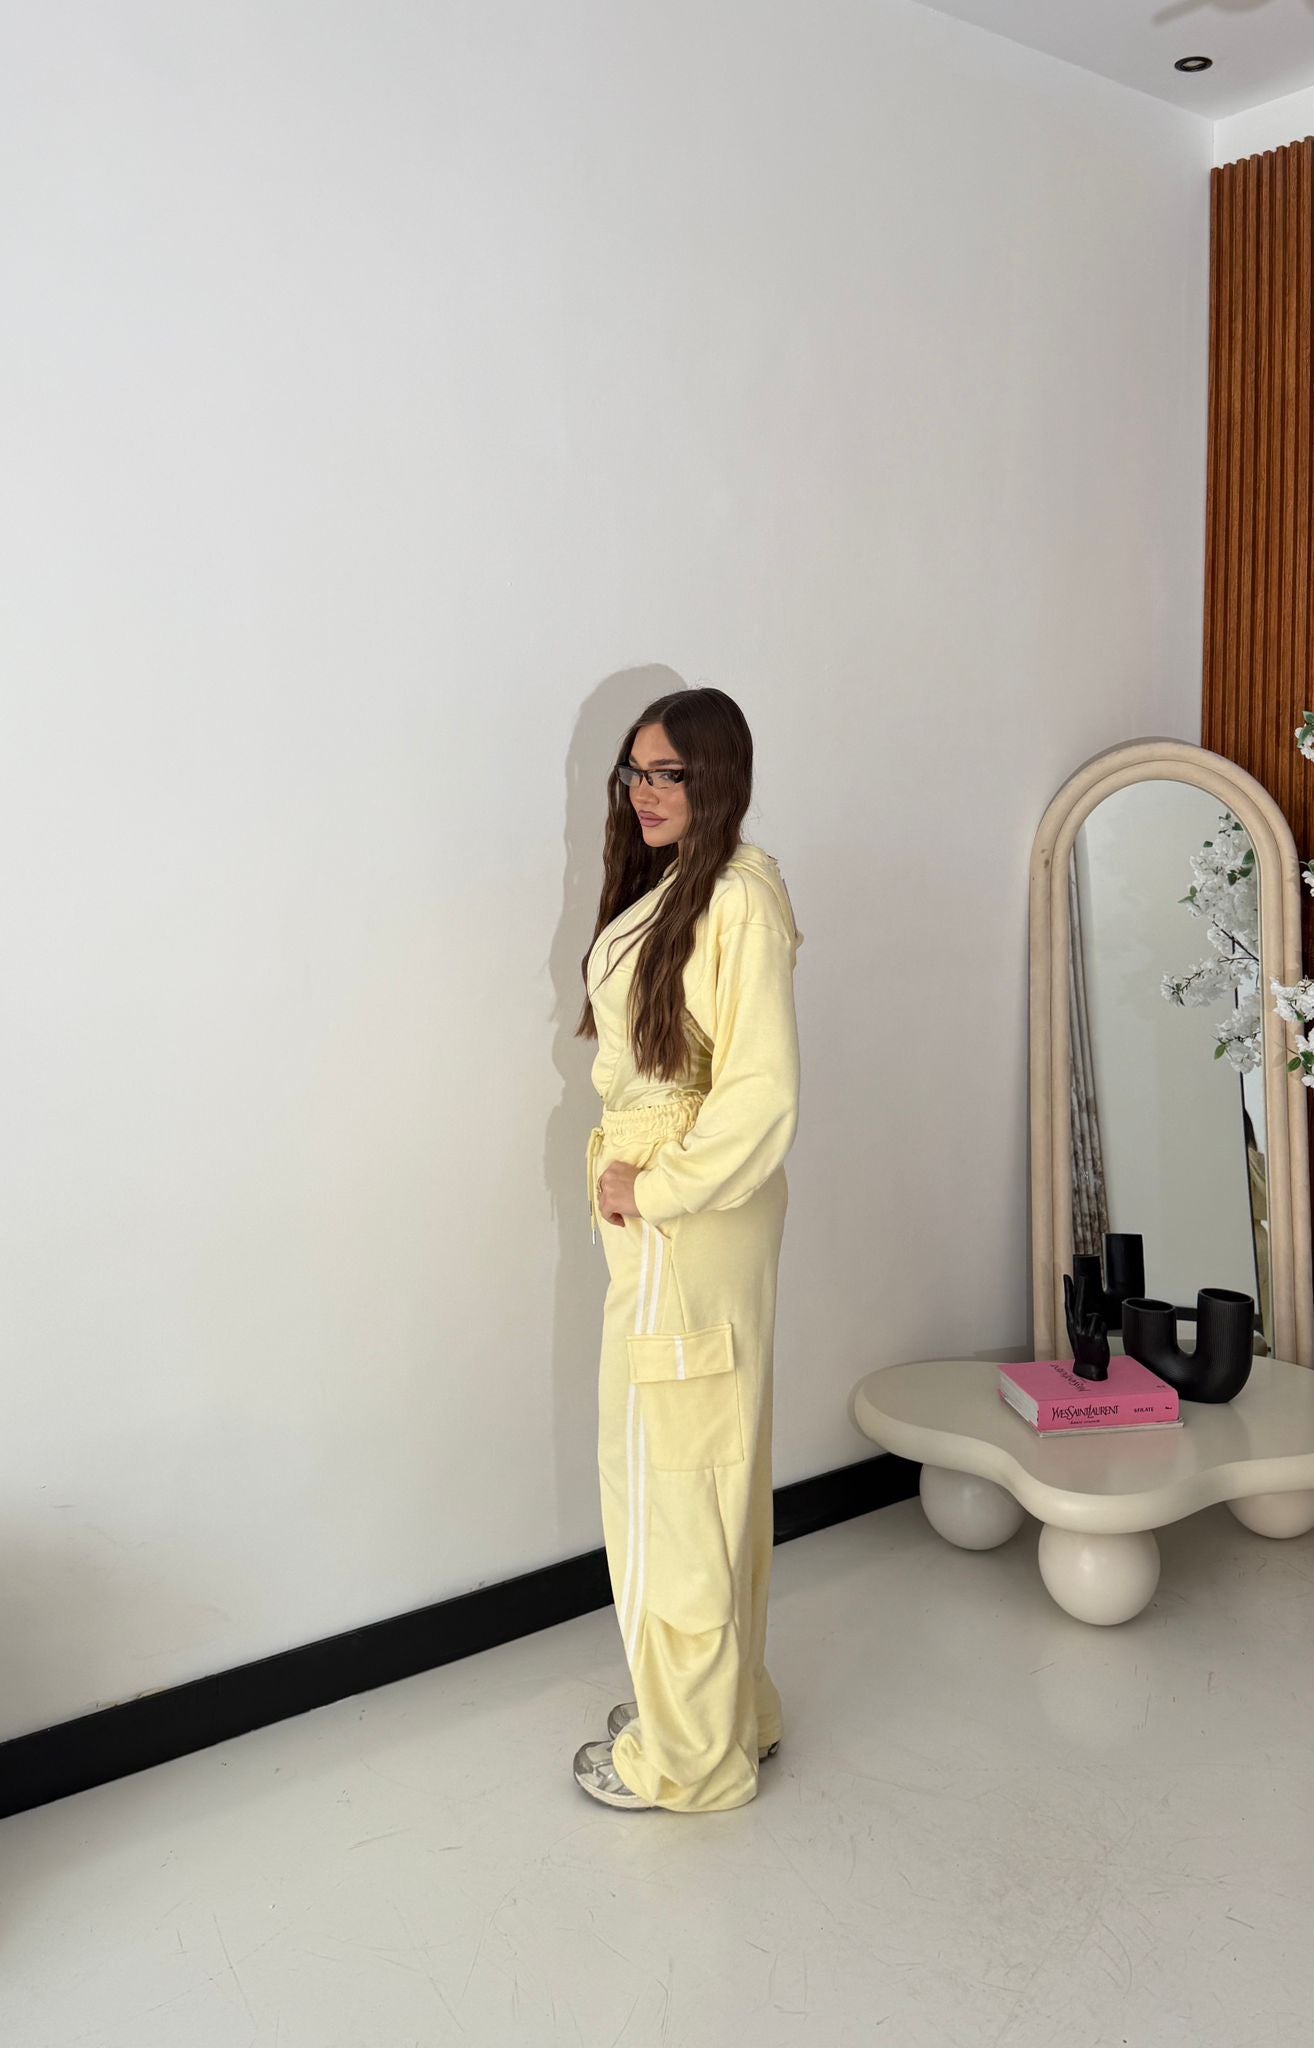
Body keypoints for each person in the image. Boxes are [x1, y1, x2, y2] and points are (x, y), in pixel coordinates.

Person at [572, 686, 803, 1812]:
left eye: (670, 772)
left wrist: (656, 1185)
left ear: (720, 776)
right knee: (696, 1462)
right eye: (636, 771)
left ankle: (689, 1756)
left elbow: (761, 1093)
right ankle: (719, 1712)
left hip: (685, 1224)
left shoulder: (738, 898)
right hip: (675, 1227)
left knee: (676, 1472)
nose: (647, 791)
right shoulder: (682, 888)